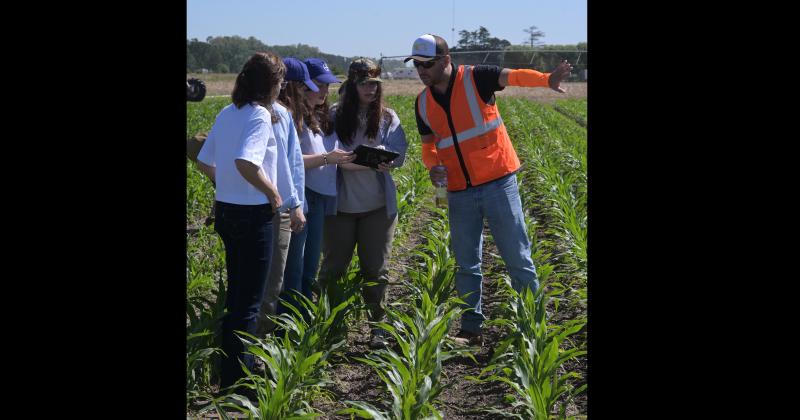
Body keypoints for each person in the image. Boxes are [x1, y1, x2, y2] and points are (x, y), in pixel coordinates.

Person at [404, 34, 573, 346]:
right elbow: (429, 147)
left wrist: (546, 78)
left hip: (498, 183)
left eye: (427, 64)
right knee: (466, 263)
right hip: (458, 191)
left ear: (445, 60)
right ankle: (471, 329)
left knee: (517, 257)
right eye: (416, 65)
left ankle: (532, 327)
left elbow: (513, 75)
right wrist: (432, 166)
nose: (421, 70)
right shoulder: (422, 103)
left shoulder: (475, 78)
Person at [194, 52, 285, 389]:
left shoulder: (228, 111)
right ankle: (238, 383)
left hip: (228, 211)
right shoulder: (260, 115)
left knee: (237, 298)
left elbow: (204, 160)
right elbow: (247, 162)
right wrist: (273, 193)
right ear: (272, 84)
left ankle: (231, 370)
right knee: (248, 303)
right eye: (281, 81)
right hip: (252, 215)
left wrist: (225, 184)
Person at [318, 58, 408, 349]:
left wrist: (360, 160)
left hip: (377, 209)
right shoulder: (333, 115)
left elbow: (396, 156)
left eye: (375, 84)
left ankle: (377, 328)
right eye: (365, 83)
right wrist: (370, 161)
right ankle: (330, 324)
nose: (371, 89)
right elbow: (333, 156)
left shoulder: (387, 117)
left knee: (376, 270)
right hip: (340, 209)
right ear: (353, 85)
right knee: (333, 268)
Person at [278, 58, 354, 318]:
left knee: (309, 263)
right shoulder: (291, 118)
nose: (324, 91)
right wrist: (327, 159)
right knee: (296, 264)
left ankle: (301, 314)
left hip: (320, 196)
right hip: (304, 194)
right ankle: (290, 317)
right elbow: (291, 161)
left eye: (327, 86)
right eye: (319, 85)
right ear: (302, 86)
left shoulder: (317, 116)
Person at [254, 57, 312, 336]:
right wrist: (294, 204)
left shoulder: (282, 115)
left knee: (275, 279)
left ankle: (266, 340)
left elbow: (293, 164)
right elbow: (290, 166)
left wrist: (297, 203)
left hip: (277, 206)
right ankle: (258, 346)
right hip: (273, 209)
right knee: (269, 282)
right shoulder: (259, 113)